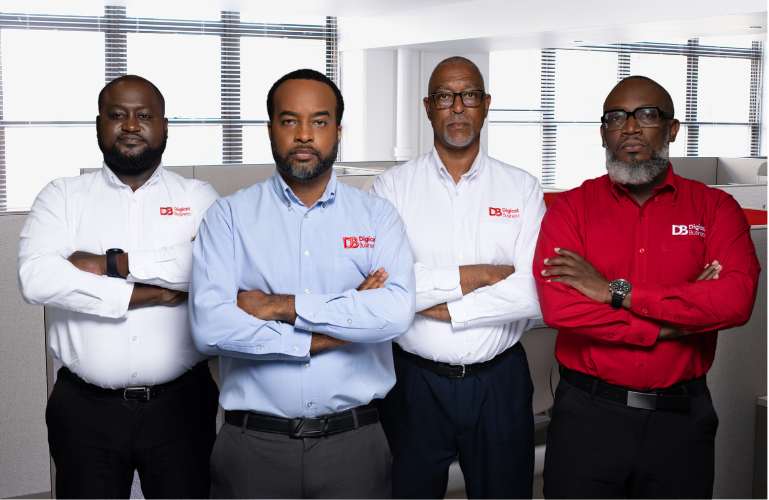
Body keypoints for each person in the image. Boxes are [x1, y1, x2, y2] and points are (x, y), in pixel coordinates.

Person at [189, 68, 416, 499]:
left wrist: (280, 306)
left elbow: (394, 313)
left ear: (338, 131)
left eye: (320, 121)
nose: (305, 135)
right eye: (290, 120)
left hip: (354, 444)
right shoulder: (229, 217)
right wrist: (337, 326)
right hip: (253, 447)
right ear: (271, 129)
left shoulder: (377, 216)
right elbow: (211, 328)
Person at [534, 75, 760, 499]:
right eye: (616, 118)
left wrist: (616, 292)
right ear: (603, 133)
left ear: (672, 129)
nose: (630, 127)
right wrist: (673, 324)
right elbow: (560, 308)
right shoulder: (570, 209)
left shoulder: (715, 208)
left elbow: (734, 301)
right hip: (588, 419)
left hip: (680, 423)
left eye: (647, 115)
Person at [17, 75, 220, 498]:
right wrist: (149, 293)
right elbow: (37, 279)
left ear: (164, 126)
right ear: (99, 125)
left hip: (181, 407)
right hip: (85, 410)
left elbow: (212, 267)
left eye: (143, 115)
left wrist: (110, 264)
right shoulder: (62, 197)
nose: (130, 126)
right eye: (117, 115)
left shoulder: (198, 196)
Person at [371, 56, 545, 499]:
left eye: (468, 95)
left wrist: (436, 304)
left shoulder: (522, 188)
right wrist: (482, 275)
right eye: (445, 97)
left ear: (486, 104)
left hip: (499, 382)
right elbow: (383, 284)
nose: (458, 107)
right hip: (414, 383)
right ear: (428, 107)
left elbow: (532, 293)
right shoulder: (391, 188)